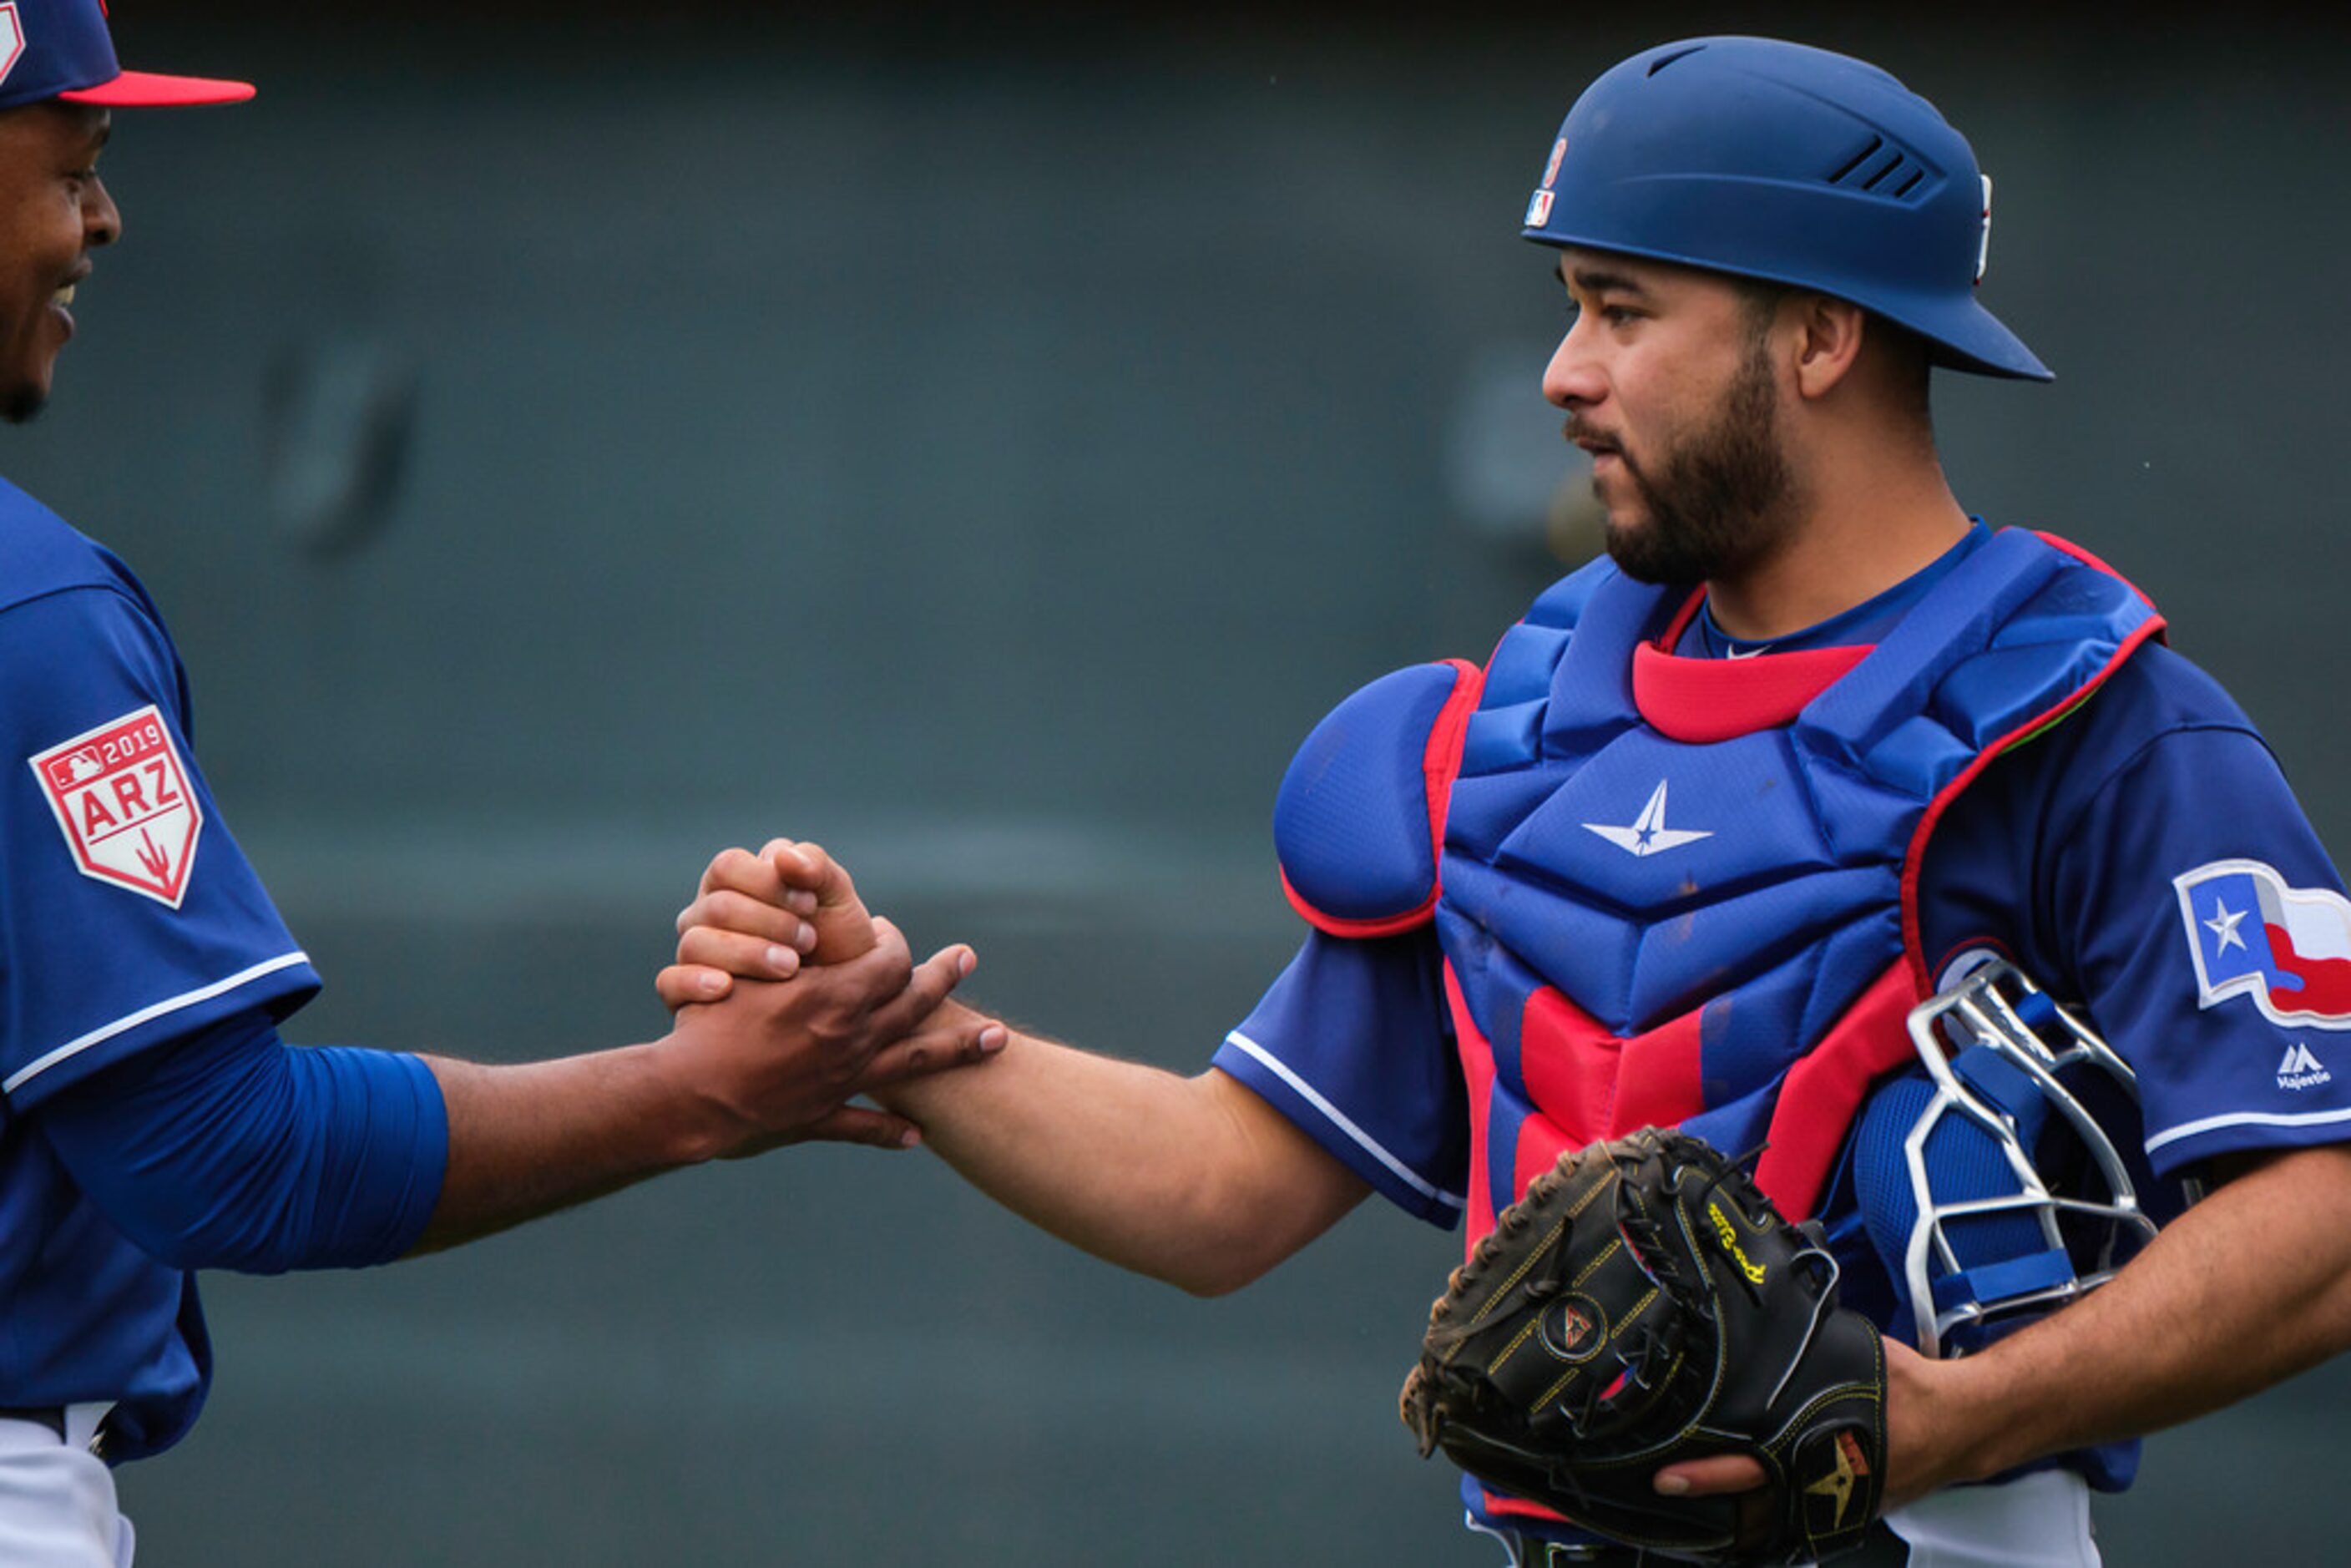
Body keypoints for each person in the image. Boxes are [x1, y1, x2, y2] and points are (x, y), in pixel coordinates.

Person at [664, 34, 2351, 1567]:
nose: (1561, 371)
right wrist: (882, 1025)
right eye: (1570, 305)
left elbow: (2327, 1213)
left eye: (1622, 309)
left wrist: (1963, 1415)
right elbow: (1215, 1191)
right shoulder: (1530, 723)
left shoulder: (2085, 720)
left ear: (1824, 334)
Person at [0, 6, 1004, 1564]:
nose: (105, 221)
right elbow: (221, 1155)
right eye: (79, 163)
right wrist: (693, 1092)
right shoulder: (32, 614)